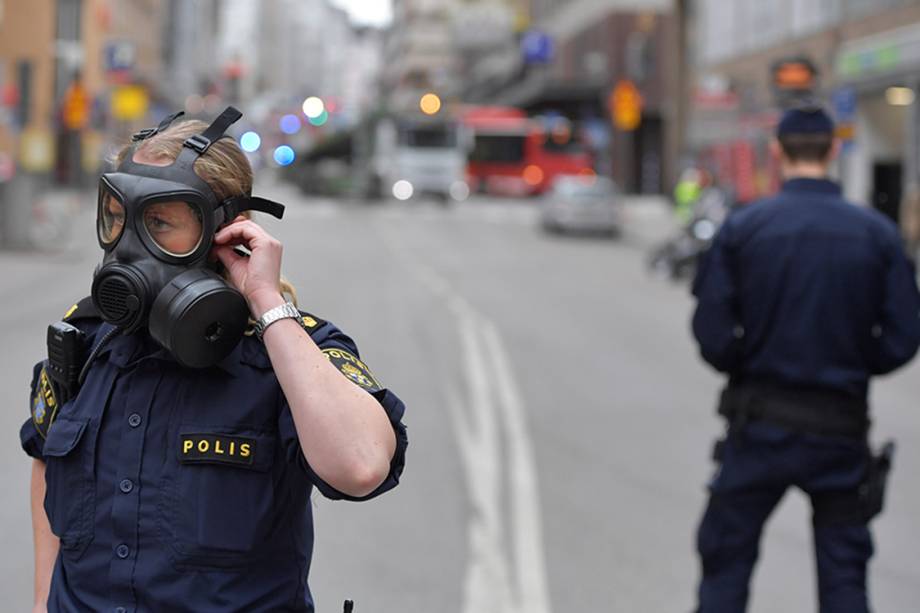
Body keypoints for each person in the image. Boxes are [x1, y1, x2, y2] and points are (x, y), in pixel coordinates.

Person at [21, 108, 408, 612]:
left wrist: (267, 302)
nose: (128, 243)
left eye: (158, 221)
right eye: (117, 217)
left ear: (226, 230)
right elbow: (47, 463)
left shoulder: (290, 352)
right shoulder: (87, 339)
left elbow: (359, 467)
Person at [691, 104, 920, 613]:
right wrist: (859, 361)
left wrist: (746, 359)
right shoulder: (877, 235)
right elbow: (905, 337)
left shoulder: (745, 228)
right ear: (833, 150)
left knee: (725, 571)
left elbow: (710, 334)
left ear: (777, 151)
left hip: (758, 428)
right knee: (844, 581)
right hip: (839, 430)